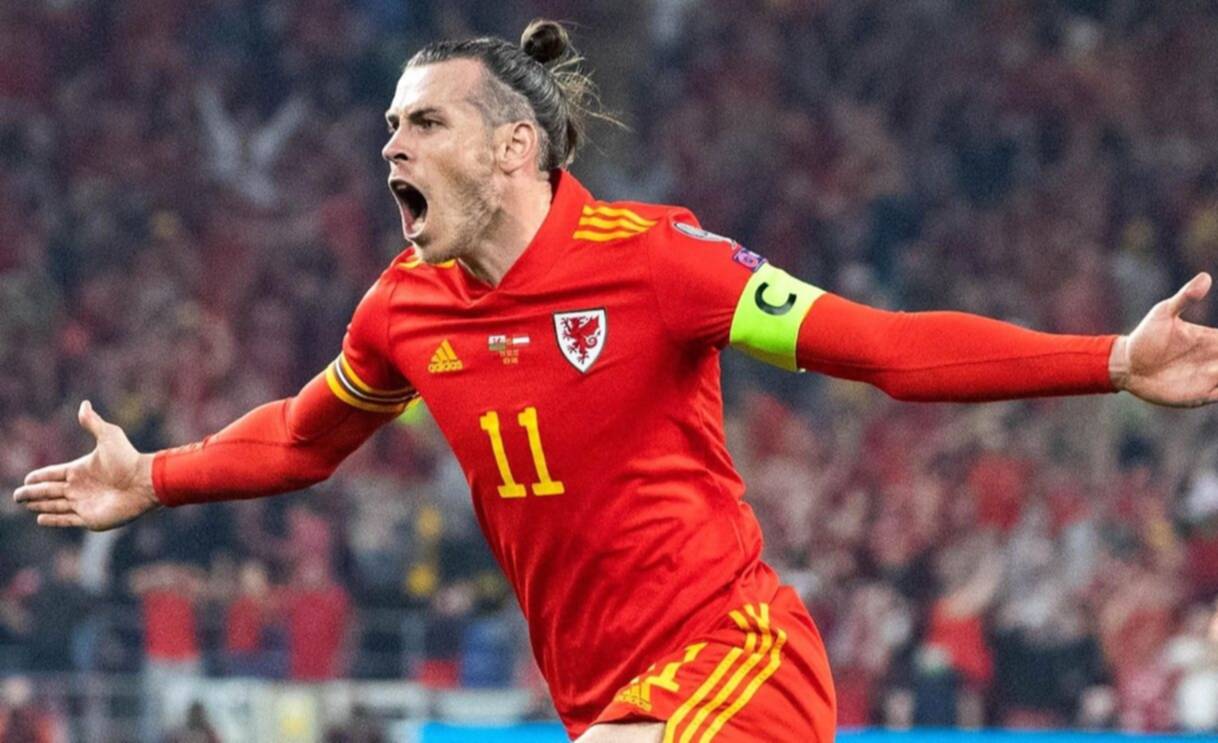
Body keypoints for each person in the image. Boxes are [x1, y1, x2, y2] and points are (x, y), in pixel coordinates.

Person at [13, 18, 1218, 743]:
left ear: (512, 147)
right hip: (602, 697)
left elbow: (887, 348)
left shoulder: (660, 261)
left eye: (424, 123)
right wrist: (155, 476)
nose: (391, 144)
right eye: (390, 124)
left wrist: (1113, 359)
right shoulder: (403, 307)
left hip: (737, 657)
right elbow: (302, 438)